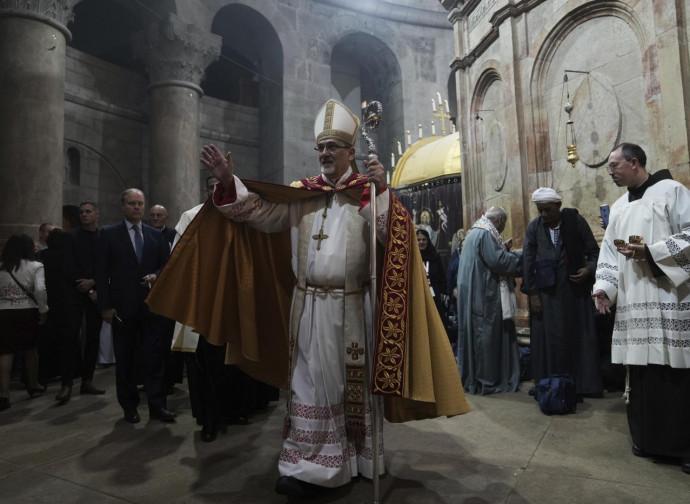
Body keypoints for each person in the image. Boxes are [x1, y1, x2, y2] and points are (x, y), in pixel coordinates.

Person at [149, 99, 469, 497]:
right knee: (308, 385)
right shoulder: (302, 195)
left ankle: (356, 460)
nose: (324, 155)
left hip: (353, 306)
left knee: (347, 388)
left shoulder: (365, 192)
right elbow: (261, 215)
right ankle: (308, 465)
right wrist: (228, 182)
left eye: (332, 148)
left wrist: (381, 193)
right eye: (320, 148)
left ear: (350, 153)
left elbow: (396, 238)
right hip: (308, 306)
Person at [592, 142, 690, 474]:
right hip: (634, 301)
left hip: (669, 300)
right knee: (643, 372)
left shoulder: (672, 191)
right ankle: (647, 439)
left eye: (614, 164)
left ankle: (683, 445)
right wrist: (604, 288)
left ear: (634, 163)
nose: (610, 171)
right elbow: (607, 254)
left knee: (675, 371)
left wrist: (652, 252)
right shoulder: (619, 206)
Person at [95, 188, 173, 424]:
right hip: (122, 308)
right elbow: (101, 273)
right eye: (132, 204)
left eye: (140, 204)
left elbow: (165, 265)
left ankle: (158, 406)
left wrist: (155, 275)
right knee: (126, 361)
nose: (137, 207)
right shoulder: (109, 234)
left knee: (153, 359)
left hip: (150, 307)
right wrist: (105, 307)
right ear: (123, 206)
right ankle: (129, 406)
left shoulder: (154, 234)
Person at [522, 187, 602, 398]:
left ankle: (581, 385)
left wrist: (588, 270)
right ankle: (549, 383)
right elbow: (528, 262)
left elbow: (594, 253)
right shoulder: (534, 227)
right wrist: (533, 295)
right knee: (550, 341)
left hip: (574, 294)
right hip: (546, 296)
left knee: (577, 338)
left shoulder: (575, 222)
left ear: (558, 205)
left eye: (548, 210)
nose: (544, 215)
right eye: (541, 211)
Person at [456, 207, 523, 395]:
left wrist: (504, 249)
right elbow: (499, 262)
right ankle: (488, 380)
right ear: (500, 221)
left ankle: (473, 378)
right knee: (486, 338)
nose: (503, 228)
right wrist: (522, 256)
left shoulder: (475, 231)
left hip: (472, 292)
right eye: (504, 223)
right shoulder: (486, 233)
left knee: (476, 335)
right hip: (484, 295)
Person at [57, 201, 104, 403]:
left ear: (97, 214)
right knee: (70, 337)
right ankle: (66, 384)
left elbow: (107, 265)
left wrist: (93, 284)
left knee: (93, 337)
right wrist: (85, 285)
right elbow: (66, 265)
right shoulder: (70, 236)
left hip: (96, 293)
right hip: (74, 292)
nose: (84, 215)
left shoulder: (104, 237)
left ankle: (88, 380)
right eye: (82, 212)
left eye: (88, 212)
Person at [0, 234, 48, 410]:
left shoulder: (1, 268)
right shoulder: (36, 266)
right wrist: (43, 310)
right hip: (27, 311)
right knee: (30, 350)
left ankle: (4, 395)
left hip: (4, 312)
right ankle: (33, 385)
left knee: (6, 352)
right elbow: (40, 290)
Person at [417, 228, 448, 329]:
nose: (421, 242)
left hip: (434, 294)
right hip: (418, 294)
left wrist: (443, 292)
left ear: (428, 240)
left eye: (424, 239)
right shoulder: (412, 257)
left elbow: (441, 275)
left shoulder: (435, 256)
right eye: (418, 240)